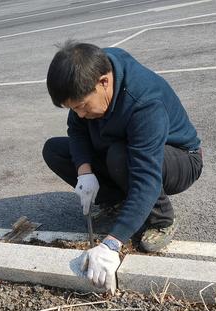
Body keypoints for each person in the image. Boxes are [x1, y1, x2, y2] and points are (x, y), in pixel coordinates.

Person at [43, 41, 203, 293]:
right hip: (122, 149)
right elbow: (77, 129)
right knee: (54, 150)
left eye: (83, 105)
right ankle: (119, 201)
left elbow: (146, 176)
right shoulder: (86, 77)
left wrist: (112, 244)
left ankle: (161, 219)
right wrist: (84, 171)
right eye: (74, 108)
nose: (80, 113)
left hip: (178, 159)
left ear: (104, 82)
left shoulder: (143, 101)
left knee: (121, 155)